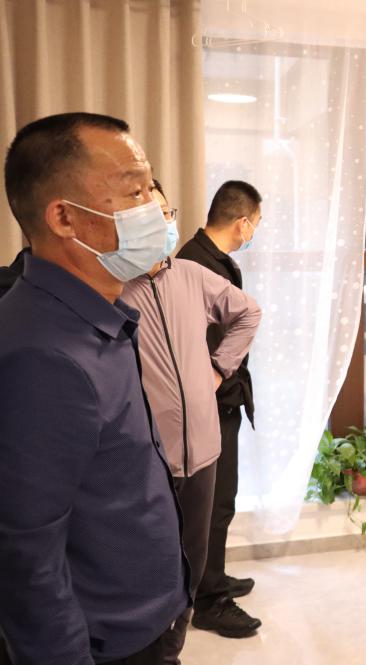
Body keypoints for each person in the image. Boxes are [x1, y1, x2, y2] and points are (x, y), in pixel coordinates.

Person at [0, 112, 189, 664]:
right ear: (64, 217)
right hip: (109, 644)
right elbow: (25, 556)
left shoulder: (99, 315)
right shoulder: (43, 354)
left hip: (146, 618)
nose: (154, 207)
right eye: (135, 191)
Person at [120, 179, 263, 653]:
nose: (164, 223)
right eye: (150, 216)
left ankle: (172, 649)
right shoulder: (113, 288)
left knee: (193, 565)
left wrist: (219, 368)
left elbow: (248, 313)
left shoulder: (190, 274)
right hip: (148, 459)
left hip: (202, 450)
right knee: (149, 571)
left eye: (166, 213)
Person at [175, 180, 262, 636]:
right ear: (242, 222)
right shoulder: (195, 264)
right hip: (206, 405)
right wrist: (214, 378)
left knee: (221, 501)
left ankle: (215, 576)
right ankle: (210, 600)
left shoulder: (212, 260)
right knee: (210, 505)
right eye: (256, 223)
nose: (255, 232)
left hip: (223, 400)